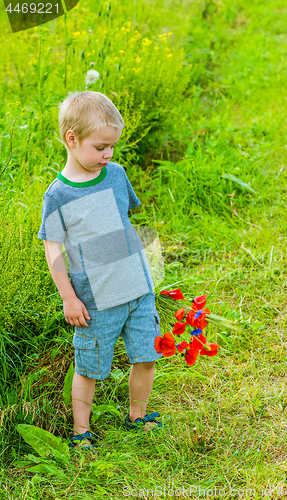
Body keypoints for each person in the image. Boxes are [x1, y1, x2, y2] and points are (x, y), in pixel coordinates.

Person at [37, 90, 163, 449]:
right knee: (89, 366)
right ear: (71, 140)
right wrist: (68, 298)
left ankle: (139, 416)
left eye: (112, 147)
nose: (108, 155)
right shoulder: (58, 195)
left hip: (137, 290)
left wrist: (146, 266)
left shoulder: (116, 174)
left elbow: (125, 224)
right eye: (100, 147)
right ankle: (81, 431)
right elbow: (53, 249)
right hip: (95, 302)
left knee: (146, 354)